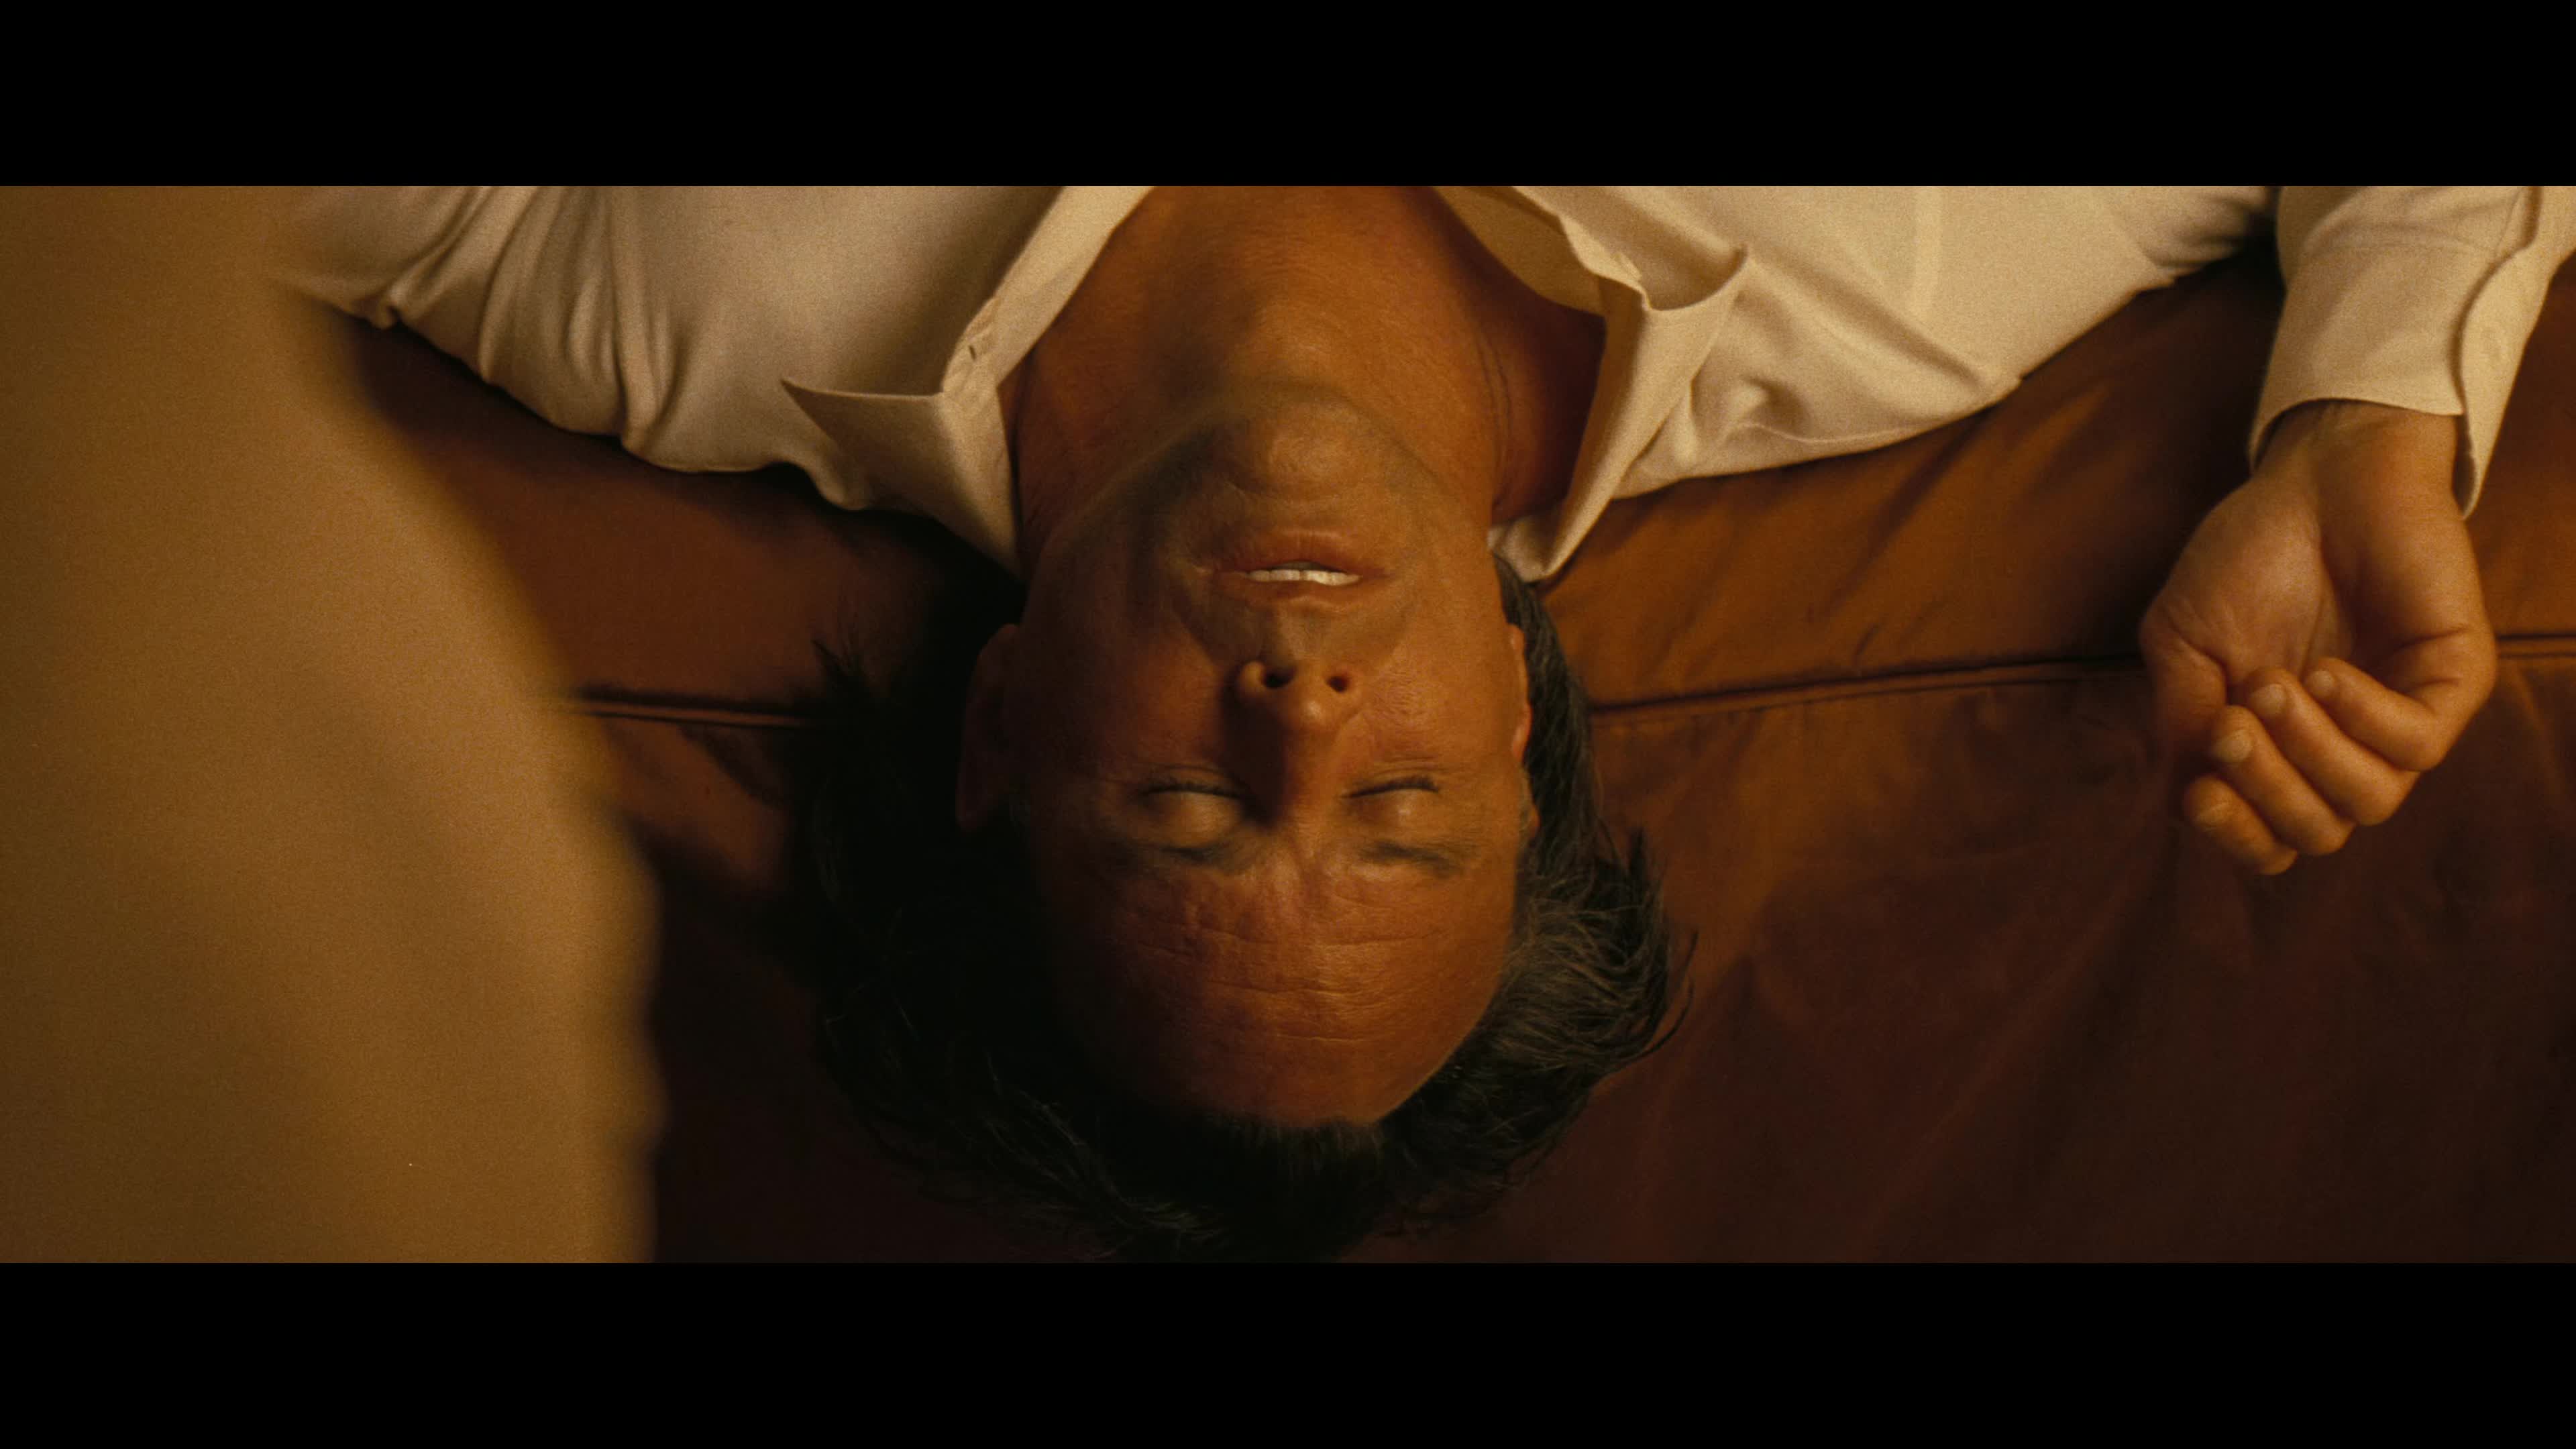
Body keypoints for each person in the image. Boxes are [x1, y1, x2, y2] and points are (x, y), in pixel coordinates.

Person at [280, 186, 2576, 1260]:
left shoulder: (670, 295)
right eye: (1394, 809)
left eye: (1186, 808)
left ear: (1001, 733)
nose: (1298, 715)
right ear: (1518, 712)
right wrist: (2367, 421)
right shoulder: (1870, 280)